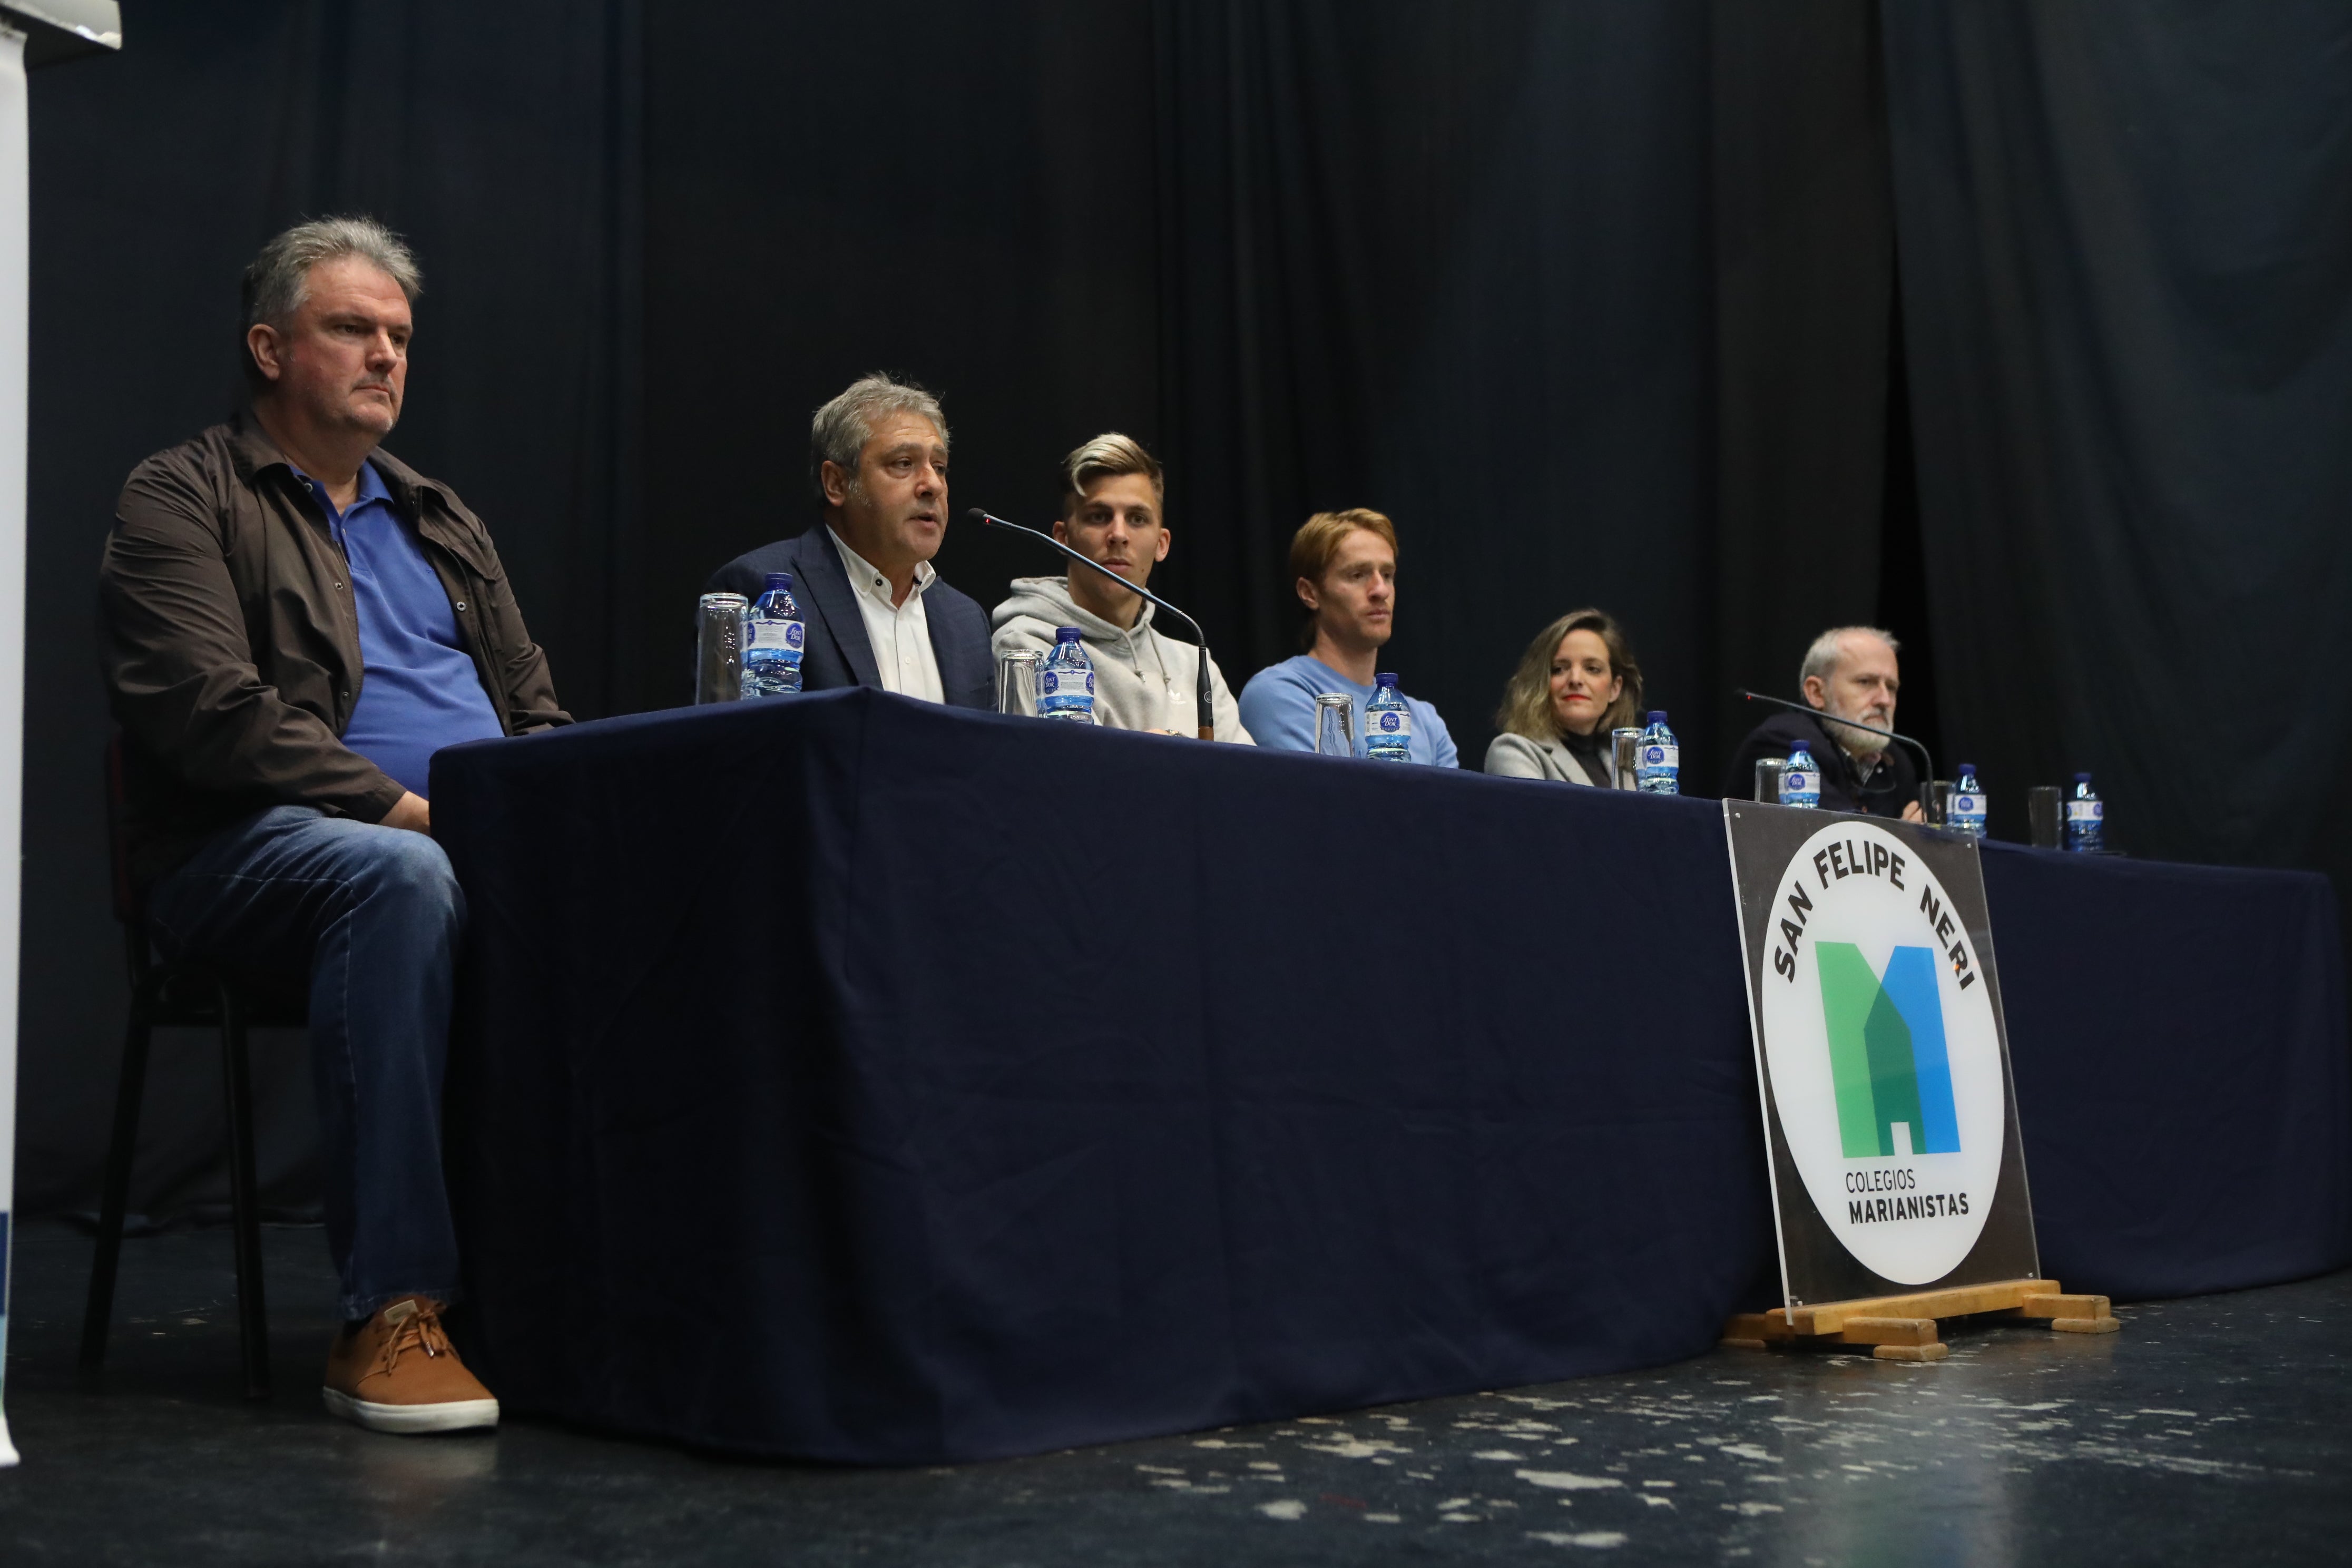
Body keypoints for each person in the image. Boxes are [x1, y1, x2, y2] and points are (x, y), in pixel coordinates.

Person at [97, 217, 570, 1433]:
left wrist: (561, 816)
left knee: (659, 881)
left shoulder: (441, 519)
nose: (385, 357)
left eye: (399, 337)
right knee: (399, 877)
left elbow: (534, 710)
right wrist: (421, 811)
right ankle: (391, 1309)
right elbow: (212, 718)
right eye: (352, 329)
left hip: (452, 838)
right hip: (242, 851)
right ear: (269, 347)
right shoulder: (182, 494)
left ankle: (592, 1289)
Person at [705, 374, 993, 709]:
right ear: (837, 484)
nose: (933, 485)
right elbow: (733, 748)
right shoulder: (759, 591)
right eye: (904, 464)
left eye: (940, 467)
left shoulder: (967, 620)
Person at [989, 434, 1252, 741]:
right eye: (1099, 517)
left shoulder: (1194, 664)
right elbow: (1058, 776)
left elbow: (1247, 780)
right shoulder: (1025, 648)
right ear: (1062, 538)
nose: (1118, 535)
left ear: (1162, 544)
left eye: (1137, 519)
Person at [1238, 508, 1458, 766]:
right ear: (1310, 593)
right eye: (1358, 575)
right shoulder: (1279, 694)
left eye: (1387, 575)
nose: (1381, 590)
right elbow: (1330, 801)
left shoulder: (1426, 722)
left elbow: (1453, 807)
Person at [1725, 625, 1925, 818]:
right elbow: (1831, 831)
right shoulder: (1784, 743)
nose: (1885, 700)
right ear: (1817, 693)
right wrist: (1903, 835)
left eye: (1891, 687)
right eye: (1865, 682)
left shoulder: (1896, 763)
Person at [1485, 609, 1645, 785]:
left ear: (1615, 689)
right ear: (1542, 684)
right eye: (1559, 669)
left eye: (1592, 669)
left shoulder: (1629, 766)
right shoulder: (1512, 752)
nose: (1575, 680)